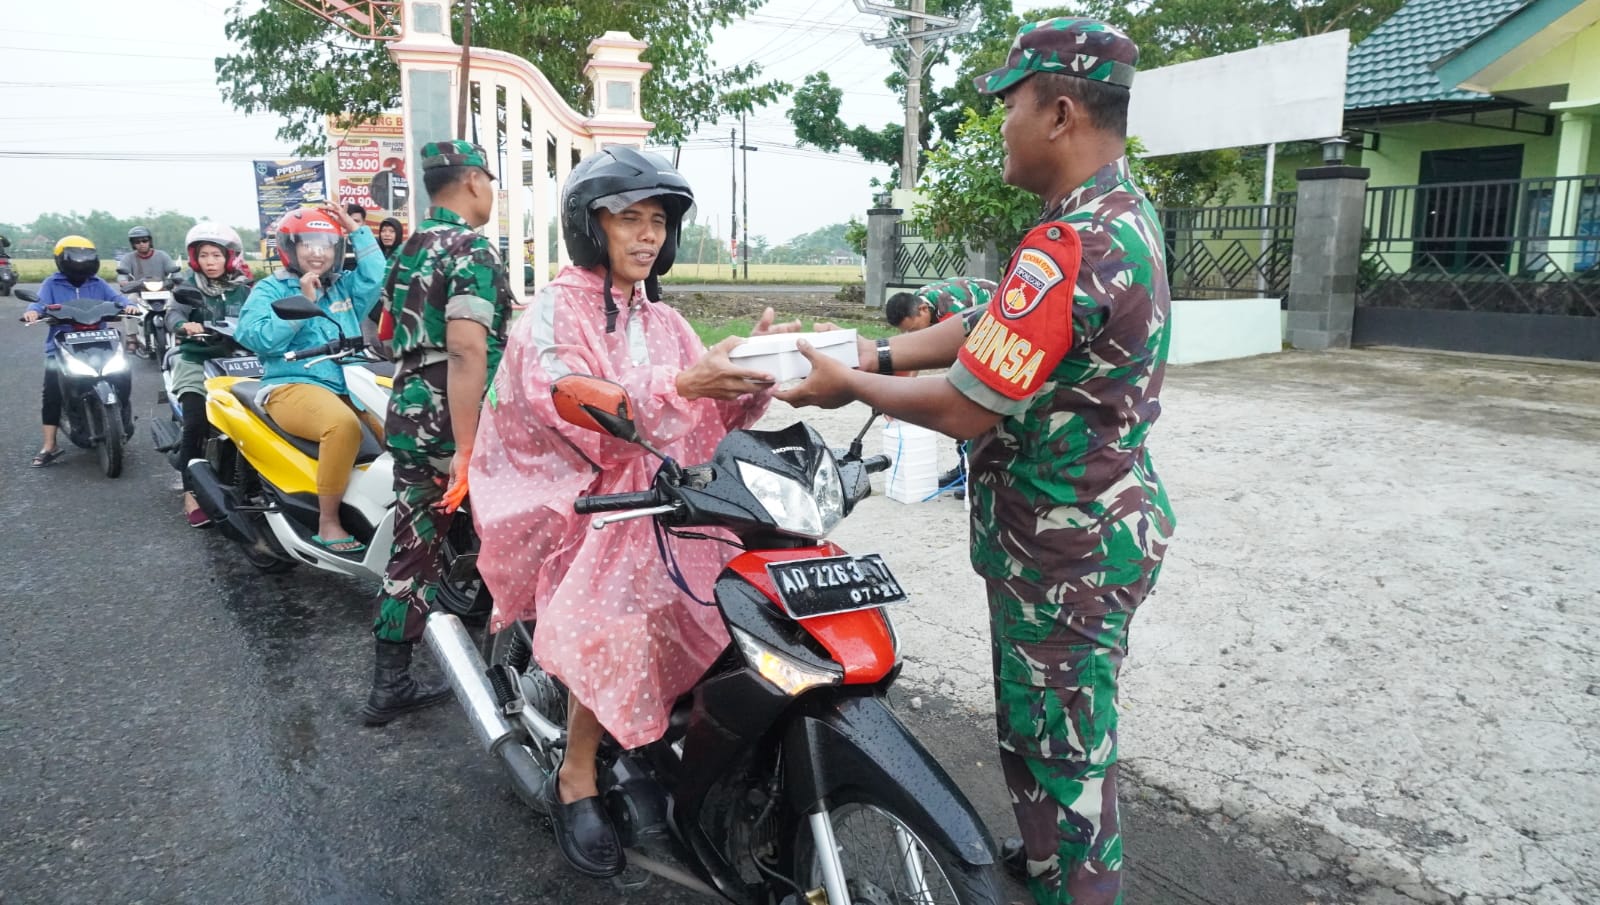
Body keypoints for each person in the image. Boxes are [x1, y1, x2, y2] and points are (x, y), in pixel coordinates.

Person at [774, 18, 1175, 905]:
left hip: (1062, 555)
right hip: (1094, 533)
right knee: (1048, 731)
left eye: (1011, 105)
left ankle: (1071, 881)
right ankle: (1047, 864)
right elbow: (996, 320)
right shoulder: (1114, 215)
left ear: (1060, 113)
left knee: (1065, 753)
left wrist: (849, 385)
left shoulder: (1073, 242)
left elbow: (965, 403)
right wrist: (878, 354)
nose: (1002, 124)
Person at [468, 146, 793, 878]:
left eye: (658, 222)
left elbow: (704, 416)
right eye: (629, 220)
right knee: (619, 605)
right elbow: (567, 401)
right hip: (570, 494)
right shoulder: (553, 312)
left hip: (659, 493)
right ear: (592, 227)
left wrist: (750, 378)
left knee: (750, 584)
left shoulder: (667, 320)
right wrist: (685, 384)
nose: (647, 235)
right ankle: (577, 771)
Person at [360, 140, 512, 727]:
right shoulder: (472, 249)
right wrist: (468, 448)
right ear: (473, 180)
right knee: (515, 533)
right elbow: (468, 349)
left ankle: (390, 681)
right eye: (490, 181)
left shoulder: (411, 247)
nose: (491, 192)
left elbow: (381, 331)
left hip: (409, 409)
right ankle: (513, 669)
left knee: (415, 546)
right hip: (458, 420)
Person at [235, 204, 385, 553]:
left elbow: (376, 274)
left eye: (326, 244)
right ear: (291, 248)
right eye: (308, 244)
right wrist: (303, 303)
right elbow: (255, 337)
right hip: (291, 384)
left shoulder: (344, 287)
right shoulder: (271, 290)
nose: (318, 253)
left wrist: (357, 230)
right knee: (341, 427)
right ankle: (328, 521)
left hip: (351, 382)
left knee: (400, 427)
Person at [23, 236, 142, 465]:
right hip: (62, 345)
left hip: (101, 342)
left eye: (85, 257)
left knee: (121, 376)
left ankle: (121, 418)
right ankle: (50, 445)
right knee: (52, 392)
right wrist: (33, 312)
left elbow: (118, 299)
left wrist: (130, 306)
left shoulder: (98, 283)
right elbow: (38, 303)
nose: (80, 262)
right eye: (75, 257)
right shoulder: (52, 283)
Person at [168, 222, 253, 527]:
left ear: (229, 257)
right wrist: (184, 326)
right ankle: (191, 493)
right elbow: (173, 314)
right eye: (204, 255)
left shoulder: (244, 289)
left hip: (239, 361)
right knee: (195, 423)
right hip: (196, 360)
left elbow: (261, 317)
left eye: (216, 255)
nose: (210, 262)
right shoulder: (188, 287)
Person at [885, 277, 997, 491]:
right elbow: (918, 353)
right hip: (976, 323)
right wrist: (897, 396)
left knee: (970, 398)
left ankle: (973, 472)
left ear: (923, 309)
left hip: (999, 324)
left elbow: (962, 361)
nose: (912, 335)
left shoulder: (952, 311)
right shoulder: (916, 305)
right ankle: (964, 469)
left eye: (914, 329)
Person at [342, 203, 369, 271]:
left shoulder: (372, 245)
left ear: (364, 223)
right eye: (349, 221)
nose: (352, 224)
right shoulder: (336, 244)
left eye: (356, 221)